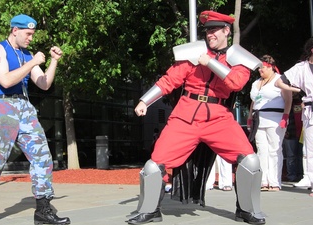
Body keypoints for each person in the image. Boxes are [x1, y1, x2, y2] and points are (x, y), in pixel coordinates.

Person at [126, 10, 265, 225]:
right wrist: (145, 100)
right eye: (208, 30)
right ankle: (149, 210)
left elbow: (236, 83)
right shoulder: (192, 54)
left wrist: (209, 63)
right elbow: (168, 81)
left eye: (215, 29)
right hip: (185, 116)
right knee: (154, 165)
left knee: (250, 161)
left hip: (219, 118)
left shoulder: (239, 58)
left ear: (226, 30)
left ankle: (248, 210)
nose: (210, 33)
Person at [0, 14, 70, 225]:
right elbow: (5, 81)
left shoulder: (26, 54)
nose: (30, 38)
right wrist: (32, 61)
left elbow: (43, 84)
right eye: (28, 34)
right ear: (15, 30)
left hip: (25, 108)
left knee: (43, 158)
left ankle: (43, 210)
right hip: (2, 107)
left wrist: (53, 62)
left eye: (32, 34)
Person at [247, 55, 292, 192]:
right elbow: (254, 101)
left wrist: (285, 116)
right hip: (259, 117)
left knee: (275, 149)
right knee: (262, 149)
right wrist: (249, 117)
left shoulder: (280, 80)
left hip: (276, 117)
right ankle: (263, 180)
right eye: (259, 68)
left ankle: (274, 181)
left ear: (271, 67)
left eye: (264, 68)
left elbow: (288, 99)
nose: (261, 70)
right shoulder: (256, 82)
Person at [276, 37, 313, 197]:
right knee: (311, 149)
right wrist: (297, 90)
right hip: (310, 110)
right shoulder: (302, 68)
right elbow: (279, 82)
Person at [282, 93, 304, 183]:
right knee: (291, 156)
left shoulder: (302, 102)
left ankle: (301, 175)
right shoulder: (285, 102)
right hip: (290, 132)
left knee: (301, 156)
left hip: (302, 133)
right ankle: (292, 176)